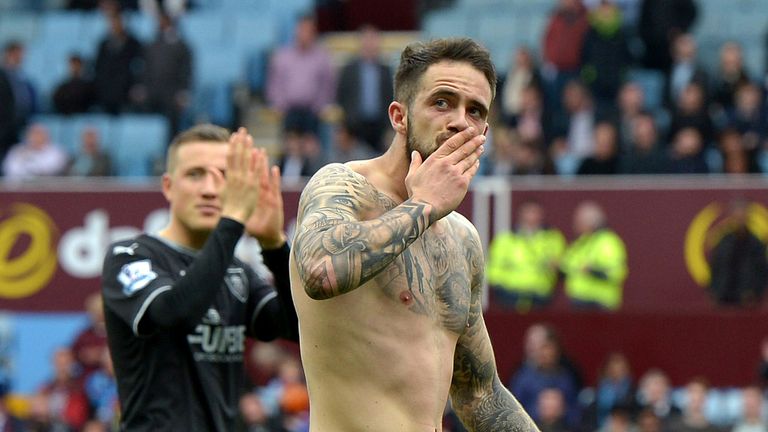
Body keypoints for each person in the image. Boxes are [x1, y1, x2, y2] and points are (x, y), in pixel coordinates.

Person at [289, 38, 538, 431]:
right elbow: (320, 272)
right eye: (442, 102)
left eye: (475, 111)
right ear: (399, 116)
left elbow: (480, 395)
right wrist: (423, 207)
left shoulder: (463, 239)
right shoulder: (342, 186)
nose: (459, 121)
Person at [101, 124, 299, 431]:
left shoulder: (236, 271)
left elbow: (294, 326)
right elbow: (173, 314)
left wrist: (274, 245)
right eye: (195, 174)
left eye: (223, 176)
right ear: (168, 186)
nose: (209, 189)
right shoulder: (130, 256)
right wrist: (232, 221)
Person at [486, 200, 566, 310]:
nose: (531, 217)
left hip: (540, 296)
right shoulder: (505, 239)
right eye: (528, 212)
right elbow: (493, 267)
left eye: (534, 212)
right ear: (520, 215)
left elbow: (561, 265)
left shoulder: (552, 238)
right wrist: (501, 288)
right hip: (509, 296)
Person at [560, 201, 628, 310]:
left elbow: (615, 273)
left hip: (599, 303)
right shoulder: (583, 241)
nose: (575, 224)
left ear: (591, 222)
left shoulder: (607, 242)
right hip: (579, 300)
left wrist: (593, 271)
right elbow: (568, 264)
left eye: (579, 220)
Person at [335, 24, 394, 151]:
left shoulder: (385, 70)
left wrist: (389, 127)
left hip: (379, 125)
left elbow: (390, 96)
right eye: (367, 39)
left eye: (373, 40)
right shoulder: (349, 69)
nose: (370, 44)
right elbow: (341, 95)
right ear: (360, 42)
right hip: (355, 125)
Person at [708, 199, 768, 306]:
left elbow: (762, 271)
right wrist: (714, 291)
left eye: (742, 215)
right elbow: (716, 267)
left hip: (748, 299)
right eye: (737, 216)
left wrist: (756, 293)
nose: (740, 219)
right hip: (724, 296)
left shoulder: (756, 243)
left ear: (748, 217)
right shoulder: (724, 241)